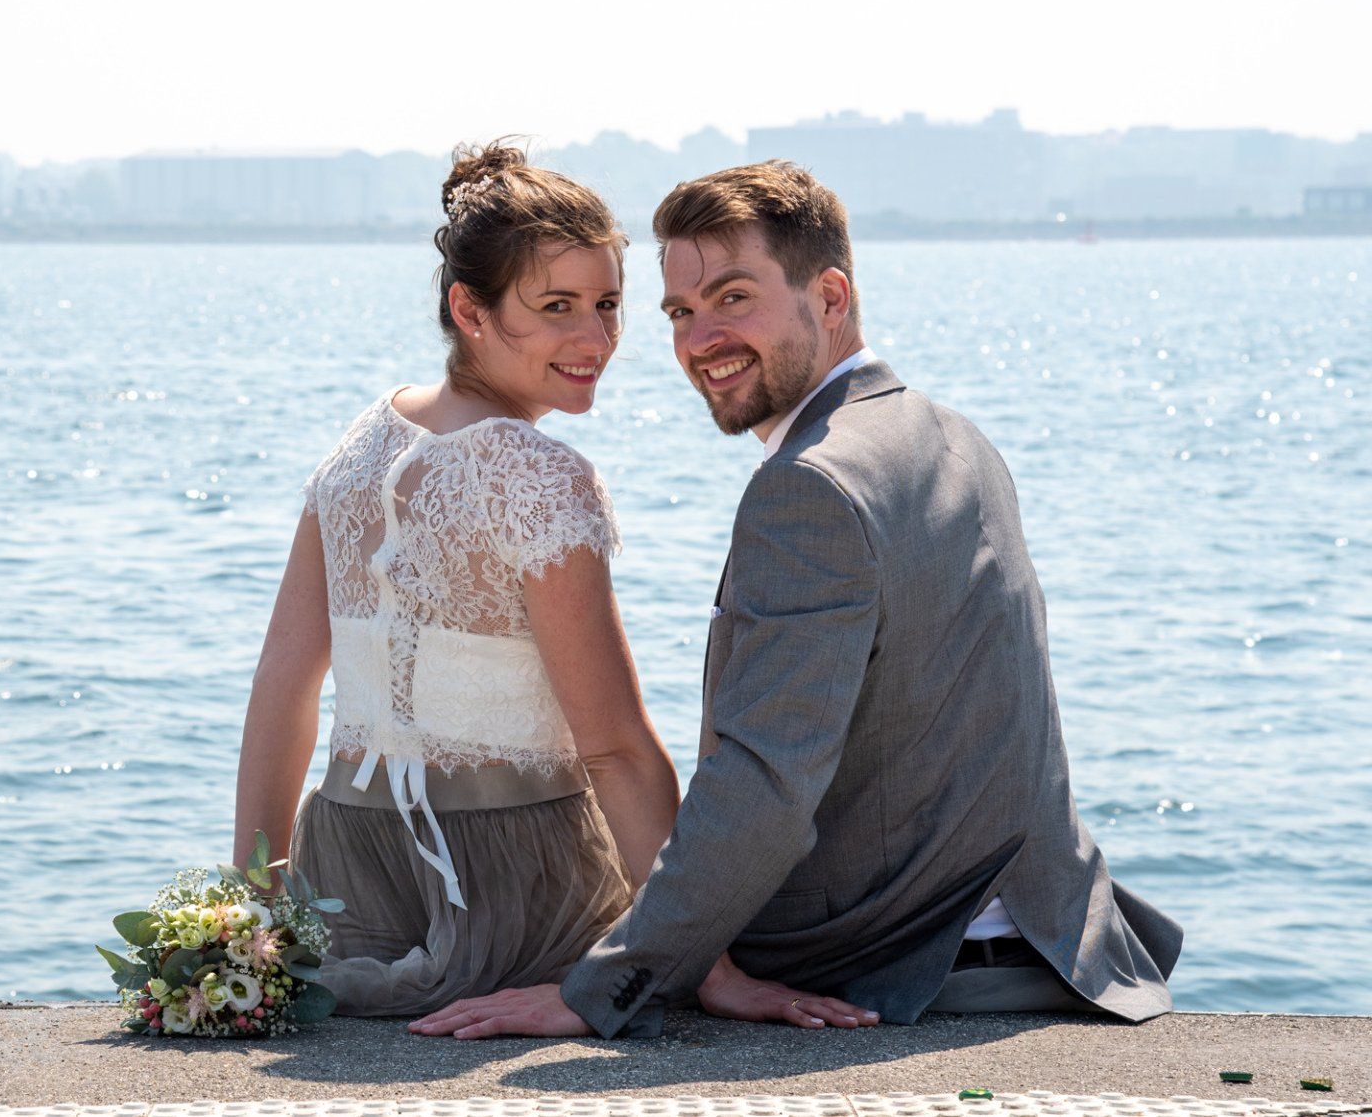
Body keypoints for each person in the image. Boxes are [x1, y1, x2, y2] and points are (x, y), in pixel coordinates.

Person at [410, 160, 1183, 1040]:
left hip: (901, 976)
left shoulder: (809, 486)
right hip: (1055, 951)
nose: (702, 339)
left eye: (733, 298)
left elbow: (766, 781)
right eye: (679, 312)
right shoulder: (954, 439)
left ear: (830, 296)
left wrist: (606, 988)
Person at [232, 144, 867, 1025]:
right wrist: (709, 969)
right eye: (557, 307)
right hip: (506, 882)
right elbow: (615, 746)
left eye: (608, 306)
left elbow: (282, 689)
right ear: (470, 310)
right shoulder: (536, 473)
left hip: (349, 880)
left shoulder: (356, 448)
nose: (595, 340)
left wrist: (257, 912)